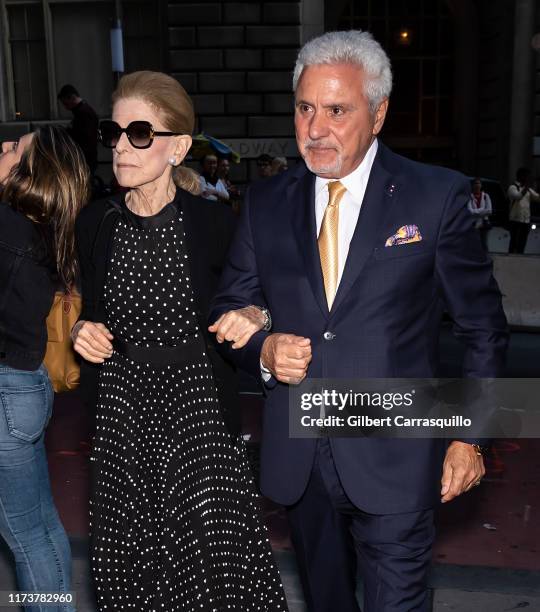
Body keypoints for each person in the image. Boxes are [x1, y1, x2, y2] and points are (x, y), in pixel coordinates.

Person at [209, 31, 508, 612]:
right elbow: (231, 310)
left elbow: (482, 328)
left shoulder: (434, 197)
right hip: (300, 456)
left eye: (337, 110)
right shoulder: (267, 201)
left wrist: (472, 435)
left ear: (379, 113)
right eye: (304, 108)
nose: (315, 128)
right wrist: (264, 351)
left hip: (398, 452)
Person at [71, 71, 287, 611]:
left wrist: (254, 313)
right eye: (112, 132)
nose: (120, 146)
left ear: (179, 147)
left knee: (210, 557)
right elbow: (90, 313)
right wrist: (82, 330)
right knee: (129, 559)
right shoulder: (95, 221)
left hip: (195, 405)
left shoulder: (214, 223)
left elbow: (261, 298)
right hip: (122, 404)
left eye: (139, 133)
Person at [0, 126, 90, 611]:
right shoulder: (41, 231)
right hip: (25, 387)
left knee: (25, 535)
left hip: (5, 391)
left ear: (28, 175)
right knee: (38, 526)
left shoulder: (7, 229)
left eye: (14, 148)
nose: (3, 147)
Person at [58, 84, 99, 173]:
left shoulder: (83, 113)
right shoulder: (83, 111)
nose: (65, 107)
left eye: (66, 103)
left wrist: (67, 132)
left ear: (72, 97)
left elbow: (83, 138)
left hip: (84, 159)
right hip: (85, 158)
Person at [508, 167, 540, 253]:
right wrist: (527, 187)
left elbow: (537, 198)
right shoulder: (513, 187)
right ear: (521, 176)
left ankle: (519, 259)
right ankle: (511, 260)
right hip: (515, 220)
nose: (528, 178)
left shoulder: (528, 189)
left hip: (526, 220)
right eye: (527, 176)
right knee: (514, 242)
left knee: (522, 243)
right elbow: (518, 196)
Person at [468, 177, 492, 249]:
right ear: (472, 186)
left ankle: (485, 258)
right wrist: (482, 209)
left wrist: (476, 211)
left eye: (478, 183)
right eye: (475, 183)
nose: (477, 185)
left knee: (484, 243)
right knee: (473, 244)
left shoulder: (486, 196)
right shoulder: (469, 197)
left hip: (484, 223)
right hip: (473, 224)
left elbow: (489, 210)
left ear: (481, 185)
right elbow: (470, 211)